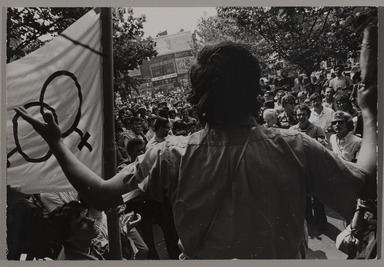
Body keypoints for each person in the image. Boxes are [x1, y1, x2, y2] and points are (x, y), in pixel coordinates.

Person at [15, 40, 377, 259]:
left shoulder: (169, 155)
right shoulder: (295, 147)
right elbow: (362, 180)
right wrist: (370, 114)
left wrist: (57, 143)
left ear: (198, 96)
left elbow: (99, 194)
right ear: (253, 89)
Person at [289, 105, 328, 231]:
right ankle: (308, 219)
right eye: (299, 115)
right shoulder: (292, 129)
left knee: (318, 196)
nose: (301, 117)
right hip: (299, 167)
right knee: (303, 195)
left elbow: (323, 147)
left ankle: (321, 222)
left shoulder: (317, 129)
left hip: (314, 166)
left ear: (308, 115)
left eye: (303, 114)